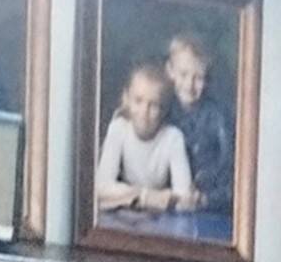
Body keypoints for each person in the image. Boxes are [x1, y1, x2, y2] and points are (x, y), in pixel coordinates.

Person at [94, 60, 195, 218]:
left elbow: (184, 197)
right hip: (124, 214)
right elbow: (102, 186)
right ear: (126, 99)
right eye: (138, 101)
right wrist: (146, 197)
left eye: (153, 105)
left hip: (160, 219)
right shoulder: (118, 128)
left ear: (164, 109)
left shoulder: (173, 137)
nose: (144, 111)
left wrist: (128, 195)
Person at [164, 31, 232, 229]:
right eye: (183, 74)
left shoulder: (220, 118)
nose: (190, 85)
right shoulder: (162, 110)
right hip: (166, 205)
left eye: (198, 78)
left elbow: (231, 174)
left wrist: (205, 199)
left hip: (208, 211)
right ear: (170, 71)